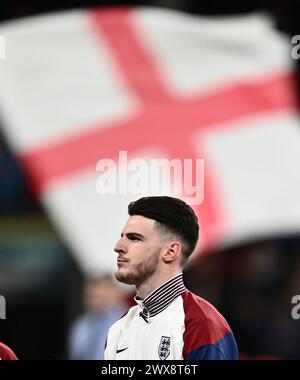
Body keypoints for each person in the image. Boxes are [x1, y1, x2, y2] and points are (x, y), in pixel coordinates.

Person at [104, 196, 238, 360]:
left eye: (134, 238)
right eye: (122, 237)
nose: (118, 246)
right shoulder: (118, 330)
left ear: (170, 252)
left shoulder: (202, 325)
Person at [68, 274, 127, 360]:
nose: (93, 301)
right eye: (89, 296)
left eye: (97, 296)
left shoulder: (123, 319)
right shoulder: (80, 325)